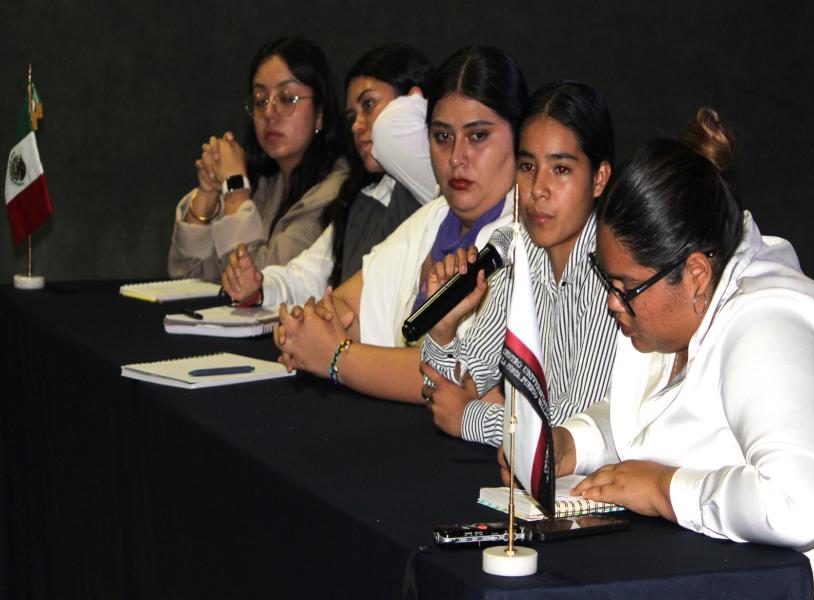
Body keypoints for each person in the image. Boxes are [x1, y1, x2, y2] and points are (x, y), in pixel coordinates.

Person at [529, 109, 814, 598]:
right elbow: (646, 420)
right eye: (607, 279)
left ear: (695, 274)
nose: (612, 302)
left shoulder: (772, 325)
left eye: (625, 287)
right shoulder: (673, 313)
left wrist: (664, 489)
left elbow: (798, 506)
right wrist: (574, 443)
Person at [273, 46, 528, 403]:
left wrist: (335, 357)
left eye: (478, 136)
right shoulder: (435, 215)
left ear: (519, 138)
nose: (456, 158)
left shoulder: (525, 237)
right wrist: (308, 330)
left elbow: (457, 378)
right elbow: (349, 305)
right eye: (442, 137)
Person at [419, 81, 617, 445]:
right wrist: (443, 327)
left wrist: (471, 417)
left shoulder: (612, 272)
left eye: (561, 169)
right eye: (527, 166)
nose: (538, 188)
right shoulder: (518, 248)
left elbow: (574, 429)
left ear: (599, 178)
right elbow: (454, 387)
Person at [220, 43, 437, 306]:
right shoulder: (360, 196)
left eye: (369, 104)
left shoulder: (433, 184)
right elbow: (307, 276)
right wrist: (261, 286)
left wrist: (419, 104)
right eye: (352, 116)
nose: (356, 126)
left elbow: (395, 131)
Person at [168, 37, 348, 280]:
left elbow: (258, 282)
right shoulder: (264, 185)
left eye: (287, 98)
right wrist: (208, 193)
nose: (269, 113)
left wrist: (235, 187)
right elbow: (186, 276)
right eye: (260, 100)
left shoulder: (336, 193)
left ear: (320, 113)